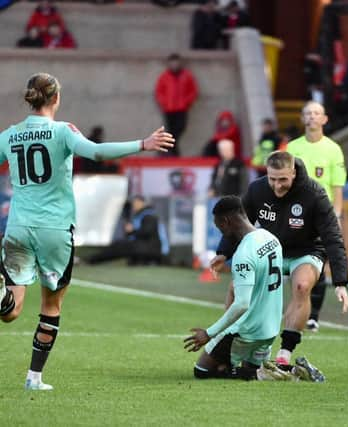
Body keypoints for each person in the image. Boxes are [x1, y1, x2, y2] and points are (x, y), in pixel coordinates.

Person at [0, 73, 174, 391]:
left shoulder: (9, 135)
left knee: (10, 310)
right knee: (51, 305)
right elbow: (96, 152)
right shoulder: (63, 132)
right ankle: (34, 377)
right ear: (55, 99)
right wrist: (143, 144)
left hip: (18, 227)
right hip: (54, 229)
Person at [211, 151, 348, 366]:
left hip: (307, 251)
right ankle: (229, 338)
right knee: (236, 286)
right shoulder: (257, 189)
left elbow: (333, 236)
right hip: (270, 250)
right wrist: (223, 252)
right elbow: (238, 222)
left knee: (302, 286)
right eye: (272, 179)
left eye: (283, 179)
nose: (277, 186)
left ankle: (285, 352)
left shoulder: (314, 193)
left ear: (293, 173)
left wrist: (341, 282)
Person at [184, 196, 323, 382]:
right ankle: (293, 370)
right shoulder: (271, 238)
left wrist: (208, 333)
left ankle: (270, 374)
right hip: (270, 329)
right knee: (245, 370)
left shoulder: (243, 253)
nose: (222, 234)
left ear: (226, 222)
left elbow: (242, 304)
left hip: (247, 331)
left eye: (220, 228)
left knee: (202, 371)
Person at [286, 101, 347, 332]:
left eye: (316, 113)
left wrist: (337, 216)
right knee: (295, 264)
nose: (312, 117)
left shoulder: (333, 149)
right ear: (302, 119)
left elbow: (337, 186)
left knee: (318, 264)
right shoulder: (292, 148)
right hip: (296, 214)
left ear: (325, 119)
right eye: (308, 113)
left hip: (323, 215)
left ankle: (313, 316)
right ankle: (298, 307)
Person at [88, 195, 169, 265]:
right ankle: (92, 259)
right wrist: (130, 231)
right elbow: (133, 235)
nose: (134, 205)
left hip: (150, 249)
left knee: (120, 246)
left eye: (136, 202)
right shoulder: (139, 216)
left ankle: (92, 260)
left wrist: (132, 230)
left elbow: (146, 232)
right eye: (133, 203)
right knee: (118, 245)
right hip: (144, 247)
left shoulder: (149, 216)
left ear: (142, 203)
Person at [154, 53, 199, 155]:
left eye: (176, 63)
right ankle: (173, 153)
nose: (174, 65)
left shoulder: (187, 75)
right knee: (171, 131)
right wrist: (164, 103)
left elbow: (193, 91)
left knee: (178, 130)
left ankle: (167, 149)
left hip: (181, 109)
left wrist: (186, 102)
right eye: (172, 63)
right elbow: (159, 92)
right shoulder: (164, 76)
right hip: (169, 109)